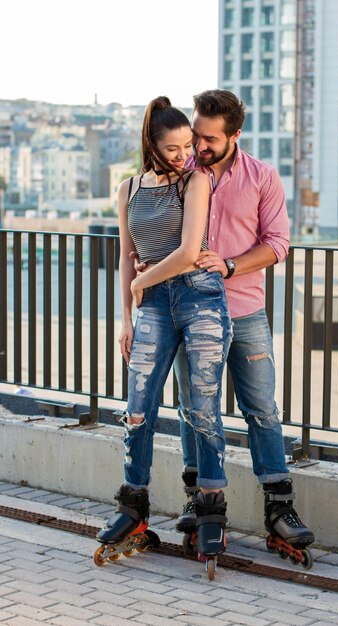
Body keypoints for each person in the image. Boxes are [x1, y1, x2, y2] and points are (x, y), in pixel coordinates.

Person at [172, 89, 315, 548]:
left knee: (262, 410)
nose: (199, 145)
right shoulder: (180, 173)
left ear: (236, 134)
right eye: (196, 134)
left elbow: (278, 244)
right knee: (195, 410)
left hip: (245, 310)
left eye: (210, 138)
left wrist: (230, 264)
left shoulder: (263, 177)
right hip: (189, 313)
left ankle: (279, 507)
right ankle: (199, 500)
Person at [96, 96, 232, 562]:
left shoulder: (197, 181)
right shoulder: (128, 187)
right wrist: (126, 316)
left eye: (187, 145)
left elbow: (190, 251)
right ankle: (133, 504)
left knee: (203, 409)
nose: (183, 155)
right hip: (151, 305)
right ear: (151, 144)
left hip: (199, 298)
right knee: (137, 409)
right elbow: (123, 255)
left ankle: (211, 507)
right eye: (173, 148)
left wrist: (141, 279)